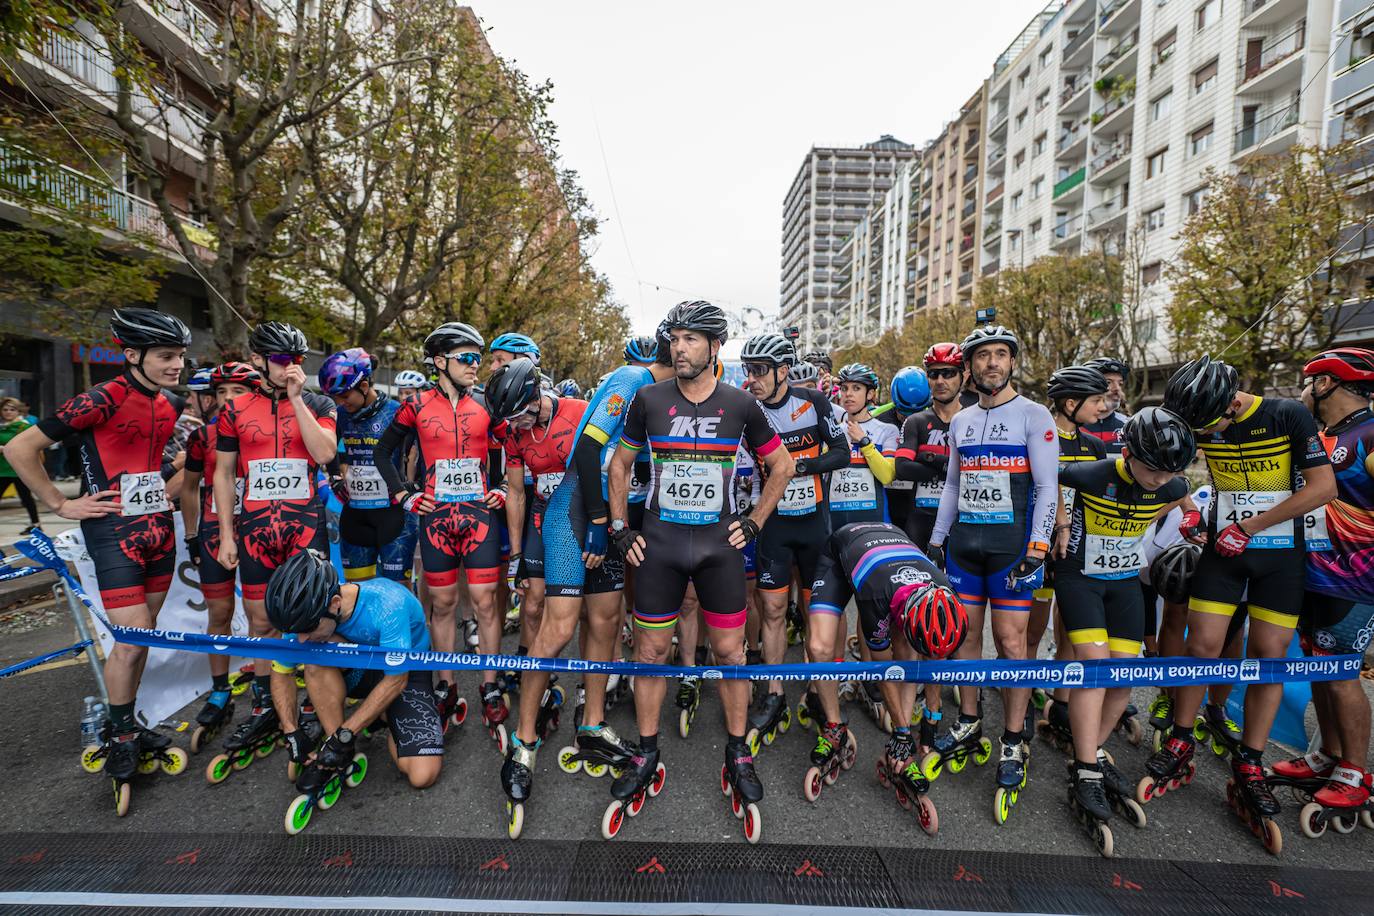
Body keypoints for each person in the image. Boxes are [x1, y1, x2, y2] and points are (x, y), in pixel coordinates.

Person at [607, 300, 793, 841]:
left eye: (691, 339)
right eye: (675, 339)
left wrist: (756, 522)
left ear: (715, 348)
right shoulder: (648, 399)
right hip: (660, 544)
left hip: (718, 547)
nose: (679, 348)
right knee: (649, 651)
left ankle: (737, 752)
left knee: (732, 652)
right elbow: (619, 462)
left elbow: (781, 465)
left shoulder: (739, 404)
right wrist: (620, 529)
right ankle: (645, 753)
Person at [1142, 355, 1336, 844]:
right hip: (1223, 553)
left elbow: (1324, 488)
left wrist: (1250, 528)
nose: (1208, 433)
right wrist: (1190, 509)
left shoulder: (1287, 414)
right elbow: (1176, 472)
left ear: (1231, 400)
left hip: (1276, 555)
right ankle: (1182, 739)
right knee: (1202, 647)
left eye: (1212, 424)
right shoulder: (1200, 420)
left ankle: (1250, 760)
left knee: (1269, 657)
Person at [497, 311, 676, 837]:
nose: (521, 428)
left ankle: (593, 722)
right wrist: (599, 523)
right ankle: (524, 741)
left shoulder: (652, 395)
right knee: (556, 631)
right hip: (574, 514)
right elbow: (592, 452)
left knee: (604, 624)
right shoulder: (630, 379)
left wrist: (615, 522)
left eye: (525, 416)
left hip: (610, 513)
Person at [5, 308, 190, 803]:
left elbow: (153, 467)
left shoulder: (169, 404)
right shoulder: (103, 396)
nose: (177, 364)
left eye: (180, 356)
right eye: (166, 356)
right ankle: (120, 733)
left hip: (158, 531)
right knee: (128, 642)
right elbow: (21, 448)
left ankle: (129, 719)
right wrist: (61, 503)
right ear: (132, 355)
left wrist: (177, 483)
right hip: (113, 534)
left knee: (143, 635)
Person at [924, 324, 1058, 823]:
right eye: (983, 357)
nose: (992, 364)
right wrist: (937, 540)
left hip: (1010, 551)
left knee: (1011, 642)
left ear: (1012, 363)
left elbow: (1047, 488)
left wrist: (1039, 546)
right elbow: (954, 487)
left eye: (1001, 355)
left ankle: (1014, 738)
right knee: (962, 636)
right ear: (970, 367)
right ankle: (969, 719)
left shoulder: (1033, 414)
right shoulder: (960, 422)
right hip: (965, 547)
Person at [1055, 408, 1193, 849]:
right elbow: (1046, 479)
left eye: (1168, 470)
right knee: (1095, 668)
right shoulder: (1091, 474)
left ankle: (1089, 755)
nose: (1158, 478)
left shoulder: (1173, 483)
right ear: (1129, 453)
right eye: (1151, 467)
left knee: (1123, 673)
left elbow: (1183, 493)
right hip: (1080, 580)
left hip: (1124, 585)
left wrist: (1190, 518)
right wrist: (1059, 523)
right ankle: (1086, 766)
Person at [373, 323, 507, 734]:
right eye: (466, 358)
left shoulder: (487, 403)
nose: (474, 366)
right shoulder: (415, 406)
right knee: (444, 604)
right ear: (439, 362)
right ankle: (446, 686)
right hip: (435, 519)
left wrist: (500, 486)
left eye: (477, 358)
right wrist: (404, 496)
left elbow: (506, 451)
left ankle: (489, 686)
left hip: (478, 518)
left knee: (485, 602)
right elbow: (383, 453)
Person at [214, 320, 338, 748]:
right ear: (257, 361)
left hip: (304, 523)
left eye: (298, 360)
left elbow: (324, 453)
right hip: (255, 529)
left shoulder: (319, 401)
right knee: (260, 621)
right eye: (283, 360)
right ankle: (265, 705)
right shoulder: (233, 409)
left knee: (317, 619)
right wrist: (227, 534)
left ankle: (318, 702)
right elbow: (224, 473)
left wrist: (297, 399)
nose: (292, 367)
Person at [1268, 348, 1374, 818]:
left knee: (1343, 675)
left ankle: (1355, 772)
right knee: (1319, 669)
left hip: (1355, 580)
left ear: (1328, 383)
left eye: (1308, 383)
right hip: (1315, 573)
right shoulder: (1324, 436)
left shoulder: (1369, 434)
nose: (1304, 391)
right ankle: (1328, 755)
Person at [809, 521, 966, 822]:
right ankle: (834, 727)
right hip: (845, 554)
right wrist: (905, 733)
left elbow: (935, 659)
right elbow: (885, 670)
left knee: (910, 653)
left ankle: (900, 748)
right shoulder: (875, 594)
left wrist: (932, 719)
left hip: (893, 551)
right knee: (819, 647)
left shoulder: (946, 592)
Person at [740, 332, 849, 742]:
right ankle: (772, 692)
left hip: (813, 526)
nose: (752, 378)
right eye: (748, 370)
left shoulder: (815, 403)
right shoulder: (749, 412)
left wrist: (797, 468)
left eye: (760, 370)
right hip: (775, 526)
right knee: (771, 611)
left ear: (783, 371)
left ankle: (819, 690)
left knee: (812, 616)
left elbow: (841, 452)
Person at [265, 548, 443, 792]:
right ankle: (337, 750)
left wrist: (346, 734)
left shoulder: (389, 604)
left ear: (335, 603)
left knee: (422, 775)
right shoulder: (303, 615)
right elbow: (281, 671)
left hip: (404, 674)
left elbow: (396, 681)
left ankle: (362, 727)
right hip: (363, 672)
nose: (301, 638)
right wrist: (290, 730)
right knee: (314, 657)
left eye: (308, 629)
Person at [1027, 366, 1109, 739]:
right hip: (1043, 547)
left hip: (1079, 550)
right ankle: (1021, 691)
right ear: (1071, 403)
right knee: (1032, 630)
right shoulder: (1041, 437)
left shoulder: (1094, 446)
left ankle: (1060, 705)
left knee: (1070, 635)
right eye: (1096, 400)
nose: (1103, 406)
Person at [181, 361, 260, 743]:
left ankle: (265, 688)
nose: (229, 398)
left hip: (261, 527)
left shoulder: (264, 430)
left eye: (238, 391)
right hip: (215, 532)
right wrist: (192, 535)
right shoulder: (202, 437)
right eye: (222, 391)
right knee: (220, 612)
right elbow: (189, 486)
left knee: (261, 615)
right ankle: (219, 689)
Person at [319, 348, 419, 586]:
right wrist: (334, 477)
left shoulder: (396, 412)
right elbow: (328, 445)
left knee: (397, 592)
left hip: (395, 514)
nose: (340, 403)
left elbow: (417, 452)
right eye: (335, 398)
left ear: (364, 386)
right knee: (358, 592)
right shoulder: (341, 415)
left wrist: (413, 485)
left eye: (344, 396)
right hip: (356, 513)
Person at [894, 346, 962, 551]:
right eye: (934, 374)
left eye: (948, 373)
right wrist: (949, 468)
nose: (940, 381)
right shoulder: (916, 421)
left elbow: (978, 470)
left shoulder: (974, 420)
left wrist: (929, 458)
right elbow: (903, 468)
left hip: (962, 520)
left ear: (964, 375)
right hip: (921, 519)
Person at [830, 363, 900, 530]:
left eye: (856, 388)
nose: (848, 394)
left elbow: (887, 475)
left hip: (874, 521)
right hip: (835, 520)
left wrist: (864, 442)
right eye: (845, 388)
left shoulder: (887, 430)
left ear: (870, 394)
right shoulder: (832, 432)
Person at [0, 398, 40, 532]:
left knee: (26, 498)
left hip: (19, 469)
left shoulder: (25, 427)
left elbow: (33, 446)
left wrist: (6, 449)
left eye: (12, 409)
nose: (8, 412)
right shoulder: (2, 427)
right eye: (5, 409)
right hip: (2, 469)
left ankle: (36, 524)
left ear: (19, 411)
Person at [1081, 357, 1130, 455]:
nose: (1117, 388)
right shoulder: (1071, 425)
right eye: (1108, 382)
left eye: (1120, 384)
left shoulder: (1130, 426)